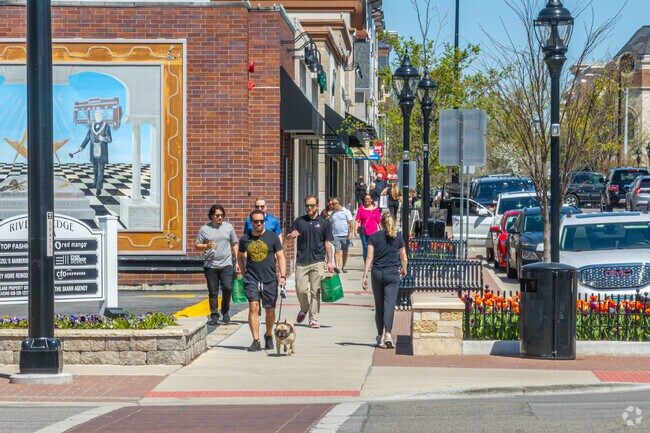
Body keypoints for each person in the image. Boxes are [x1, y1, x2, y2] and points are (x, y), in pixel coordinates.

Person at [237, 209, 286, 352]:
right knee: (253, 307)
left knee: (269, 310)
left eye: (261, 221)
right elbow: (240, 256)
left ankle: (268, 334)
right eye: (256, 222)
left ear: (264, 221)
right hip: (252, 278)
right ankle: (256, 340)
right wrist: (244, 273)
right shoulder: (245, 239)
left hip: (269, 279)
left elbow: (281, 257)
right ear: (251, 222)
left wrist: (282, 276)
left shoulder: (272, 237)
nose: (259, 224)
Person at [286, 196, 334, 329]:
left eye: (312, 206)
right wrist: (291, 236)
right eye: (307, 205)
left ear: (317, 206)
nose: (309, 208)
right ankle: (304, 308)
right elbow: (288, 239)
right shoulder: (299, 221)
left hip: (318, 261)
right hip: (302, 262)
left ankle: (313, 319)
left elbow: (328, 243)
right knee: (300, 290)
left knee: (315, 291)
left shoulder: (324, 223)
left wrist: (330, 262)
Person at [362, 212, 408, 349]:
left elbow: (369, 257)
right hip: (392, 274)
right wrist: (404, 269)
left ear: (380, 223)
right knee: (389, 305)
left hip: (377, 273)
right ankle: (388, 334)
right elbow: (404, 258)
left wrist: (365, 275)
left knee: (379, 306)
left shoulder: (373, 237)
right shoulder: (397, 238)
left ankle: (379, 335)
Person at [195, 204, 239, 326]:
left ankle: (225, 311)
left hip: (226, 263)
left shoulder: (228, 227)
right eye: (217, 215)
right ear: (211, 216)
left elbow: (234, 243)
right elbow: (197, 245)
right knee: (213, 291)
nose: (220, 217)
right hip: (210, 265)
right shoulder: (204, 229)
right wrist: (206, 246)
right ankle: (214, 315)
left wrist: (237, 261)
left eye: (221, 215)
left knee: (227, 288)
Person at [79, 110, 112, 196]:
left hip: (102, 152)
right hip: (93, 151)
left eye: (100, 115)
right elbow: (87, 138)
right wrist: (82, 146)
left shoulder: (106, 127)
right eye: (96, 115)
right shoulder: (91, 126)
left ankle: (99, 188)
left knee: (101, 171)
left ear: (102, 116)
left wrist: (103, 139)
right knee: (95, 169)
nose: (98, 116)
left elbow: (109, 139)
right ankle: (95, 183)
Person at [354, 194, 381, 262]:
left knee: (373, 248)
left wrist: (382, 231)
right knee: (365, 248)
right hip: (364, 232)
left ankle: (373, 262)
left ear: (371, 199)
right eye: (365, 198)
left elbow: (379, 221)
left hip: (373, 232)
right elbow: (357, 220)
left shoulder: (375, 209)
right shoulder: (361, 208)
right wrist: (355, 230)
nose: (367, 200)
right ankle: (366, 263)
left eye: (368, 198)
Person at [329, 197, 353, 273]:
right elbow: (331, 223)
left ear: (339, 203)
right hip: (335, 235)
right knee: (337, 251)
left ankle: (343, 267)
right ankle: (337, 267)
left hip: (345, 235)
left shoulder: (346, 212)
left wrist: (351, 233)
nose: (332, 205)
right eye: (331, 204)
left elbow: (350, 223)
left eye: (334, 204)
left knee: (345, 252)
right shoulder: (333, 213)